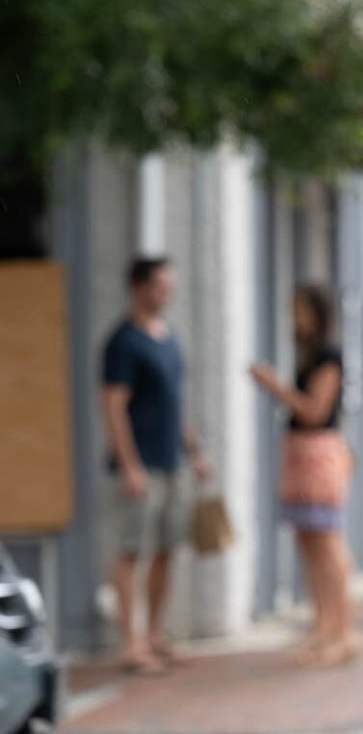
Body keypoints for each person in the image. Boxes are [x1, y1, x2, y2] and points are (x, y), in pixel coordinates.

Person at [100, 256, 211, 675]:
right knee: (132, 549)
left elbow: (173, 404)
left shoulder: (168, 338)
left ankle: (155, 636)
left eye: (170, 284)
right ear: (138, 287)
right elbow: (113, 406)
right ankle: (130, 642)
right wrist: (130, 465)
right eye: (161, 285)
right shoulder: (123, 342)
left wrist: (195, 453)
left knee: (167, 549)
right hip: (141, 465)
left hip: (172, 461)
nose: (169, 292)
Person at [249, 286, 358, 667]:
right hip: (301, 455)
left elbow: (315, 410)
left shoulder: (329, 356)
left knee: (328, 546)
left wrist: (275, 386)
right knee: (309, 545)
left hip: (319, 456)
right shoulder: (310, 354)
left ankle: (342, 633)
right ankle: (323, 627)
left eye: (298, 309)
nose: (293, 316)